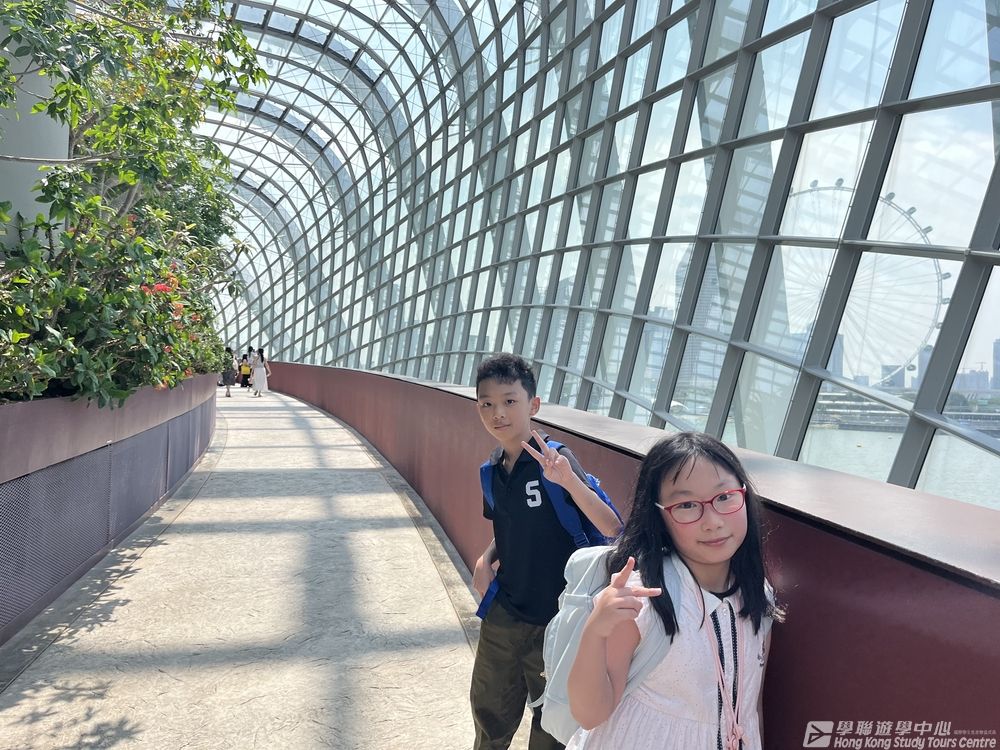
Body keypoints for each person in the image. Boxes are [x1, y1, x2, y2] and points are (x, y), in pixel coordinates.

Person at [564, 432, 782, 750]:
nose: (712, 521)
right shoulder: (643, 598)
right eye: (687, 505)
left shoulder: (758, 594)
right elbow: (590, 714)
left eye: (725, 497)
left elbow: (749, 705)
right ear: (659, 515)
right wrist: (595, 630)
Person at [470, 353, 622, 750]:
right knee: (488, 715)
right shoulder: (491, 470)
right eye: (487, 403)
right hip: (506, 614)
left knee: (552, 728)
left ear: (533, 405)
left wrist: (569, 481)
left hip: (558, 621)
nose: (498, 413)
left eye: (509, 401)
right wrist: (486, 559)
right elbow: (509, 527)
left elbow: (612, 527)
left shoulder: (555, 459)